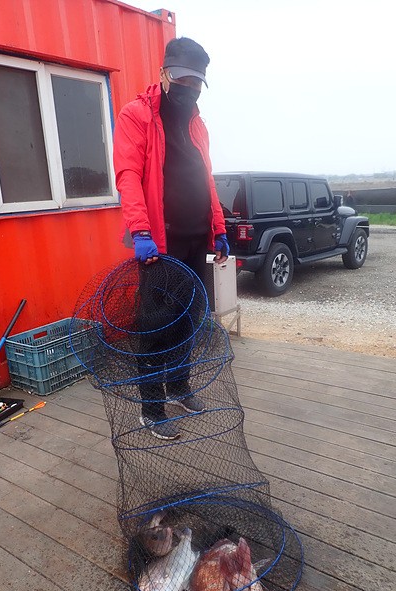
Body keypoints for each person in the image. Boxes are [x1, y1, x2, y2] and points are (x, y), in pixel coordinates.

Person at [113, 37, 229, 440]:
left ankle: (179, 388)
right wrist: (140, 231)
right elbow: (128, 175)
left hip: (197, 240)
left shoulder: (198, 125)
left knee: (188, 320)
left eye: (196, 82)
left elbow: (206, 179)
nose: (188, 88)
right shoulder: (136, 115)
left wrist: (219, 228)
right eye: (182, 79)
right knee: (155, 328)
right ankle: (152, 409)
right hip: (160, 245)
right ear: (163, 74)